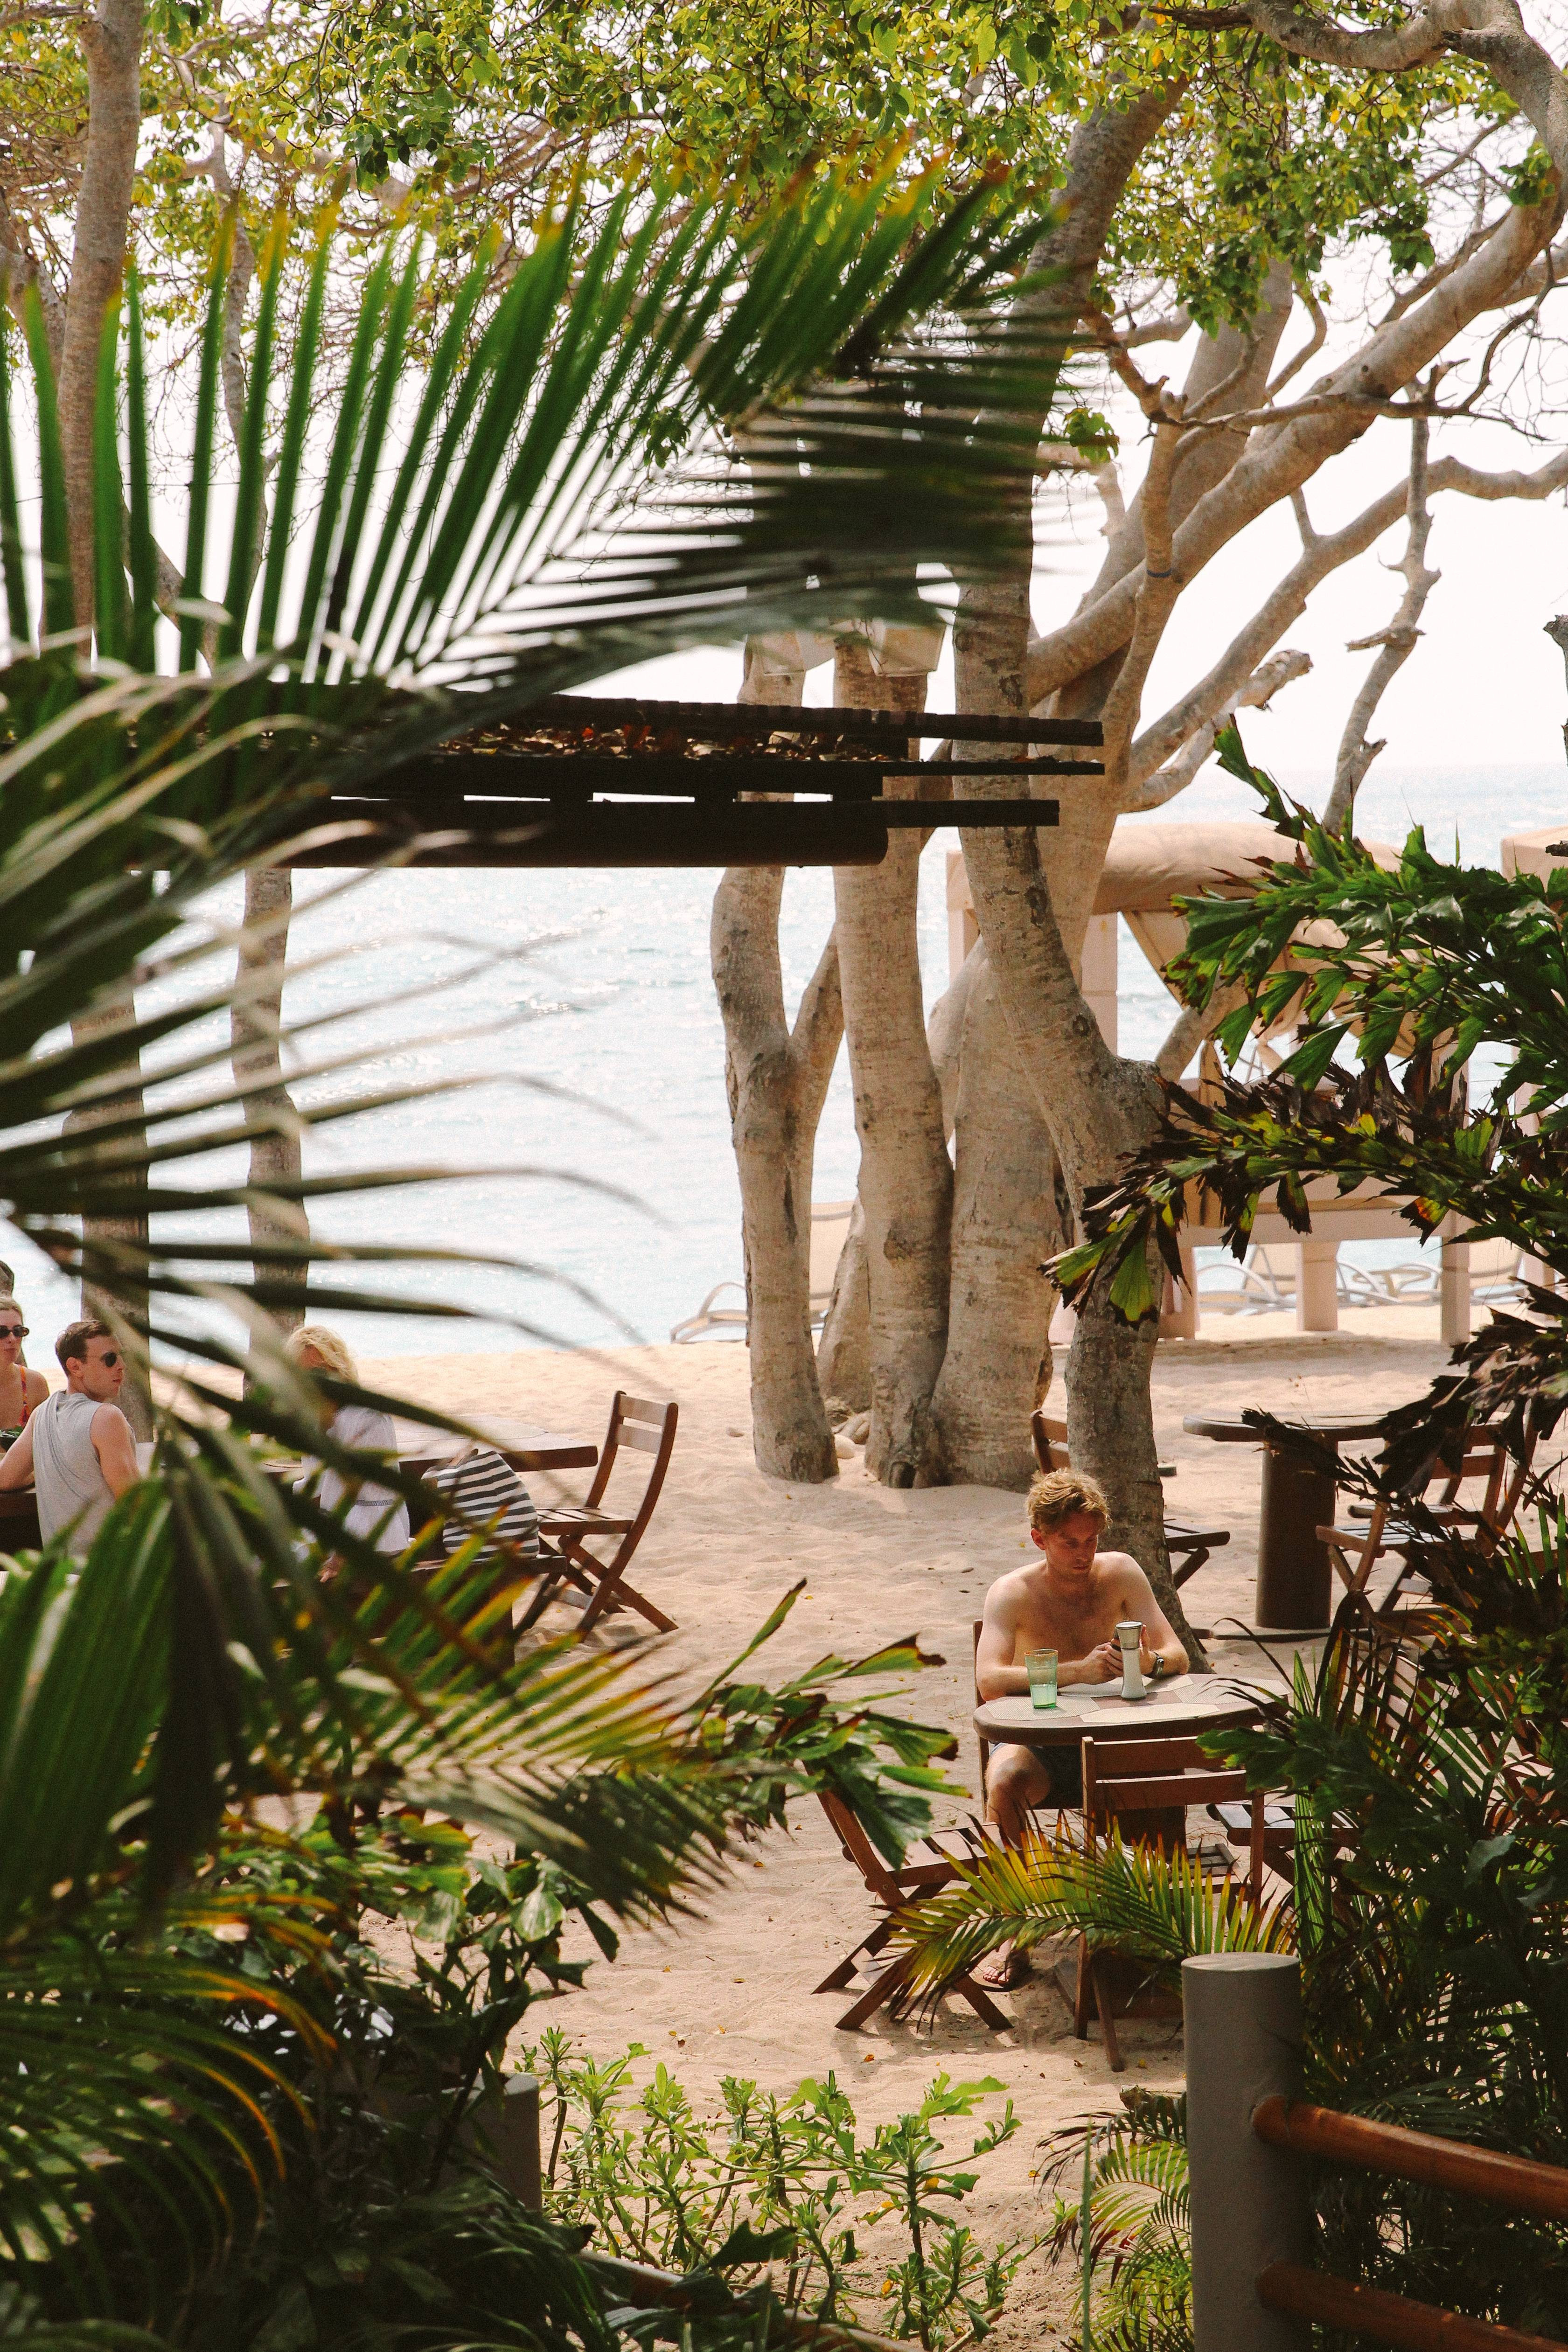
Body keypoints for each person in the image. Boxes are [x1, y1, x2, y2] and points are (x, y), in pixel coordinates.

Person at [972, 1468, 1187, 1987]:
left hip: (1116, 1740)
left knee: (1169, 1779)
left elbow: (1176, 1653)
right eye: (1069, 1541)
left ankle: (1153, 1926)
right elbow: (989, 1680)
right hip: (1044, 1744)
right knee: (1004, 1781)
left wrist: (1142, 1662)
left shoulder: (1122, 1574)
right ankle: (1018, 1924)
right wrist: (1077, 1671)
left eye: (1091, 1540)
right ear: (1039, 1538)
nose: (1082, 1553)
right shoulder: (1012, 1593)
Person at [0, 1318, 141, 1556]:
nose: (121, 1366)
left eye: (120, 1356)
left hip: (62, 1576)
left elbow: (5, 1478)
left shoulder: (42, 1414)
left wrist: (48, 1468)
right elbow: (138, 1506)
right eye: (110, 1359)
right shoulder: (106, 1418)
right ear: (75, 1367)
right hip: (106, 1575)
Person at [284, 1323, 410, 1556]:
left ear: (339, 1370)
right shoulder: (315, 1421)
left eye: (321, 1371)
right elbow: (317, 1489)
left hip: (373, 1541)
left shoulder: (370, 1419)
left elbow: (377, 1503)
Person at [0, 1296, 49, 1446]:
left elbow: (48, 1446)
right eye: (2, 1332)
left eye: (18, 1331)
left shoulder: (34, 1384)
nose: (12, 1339)